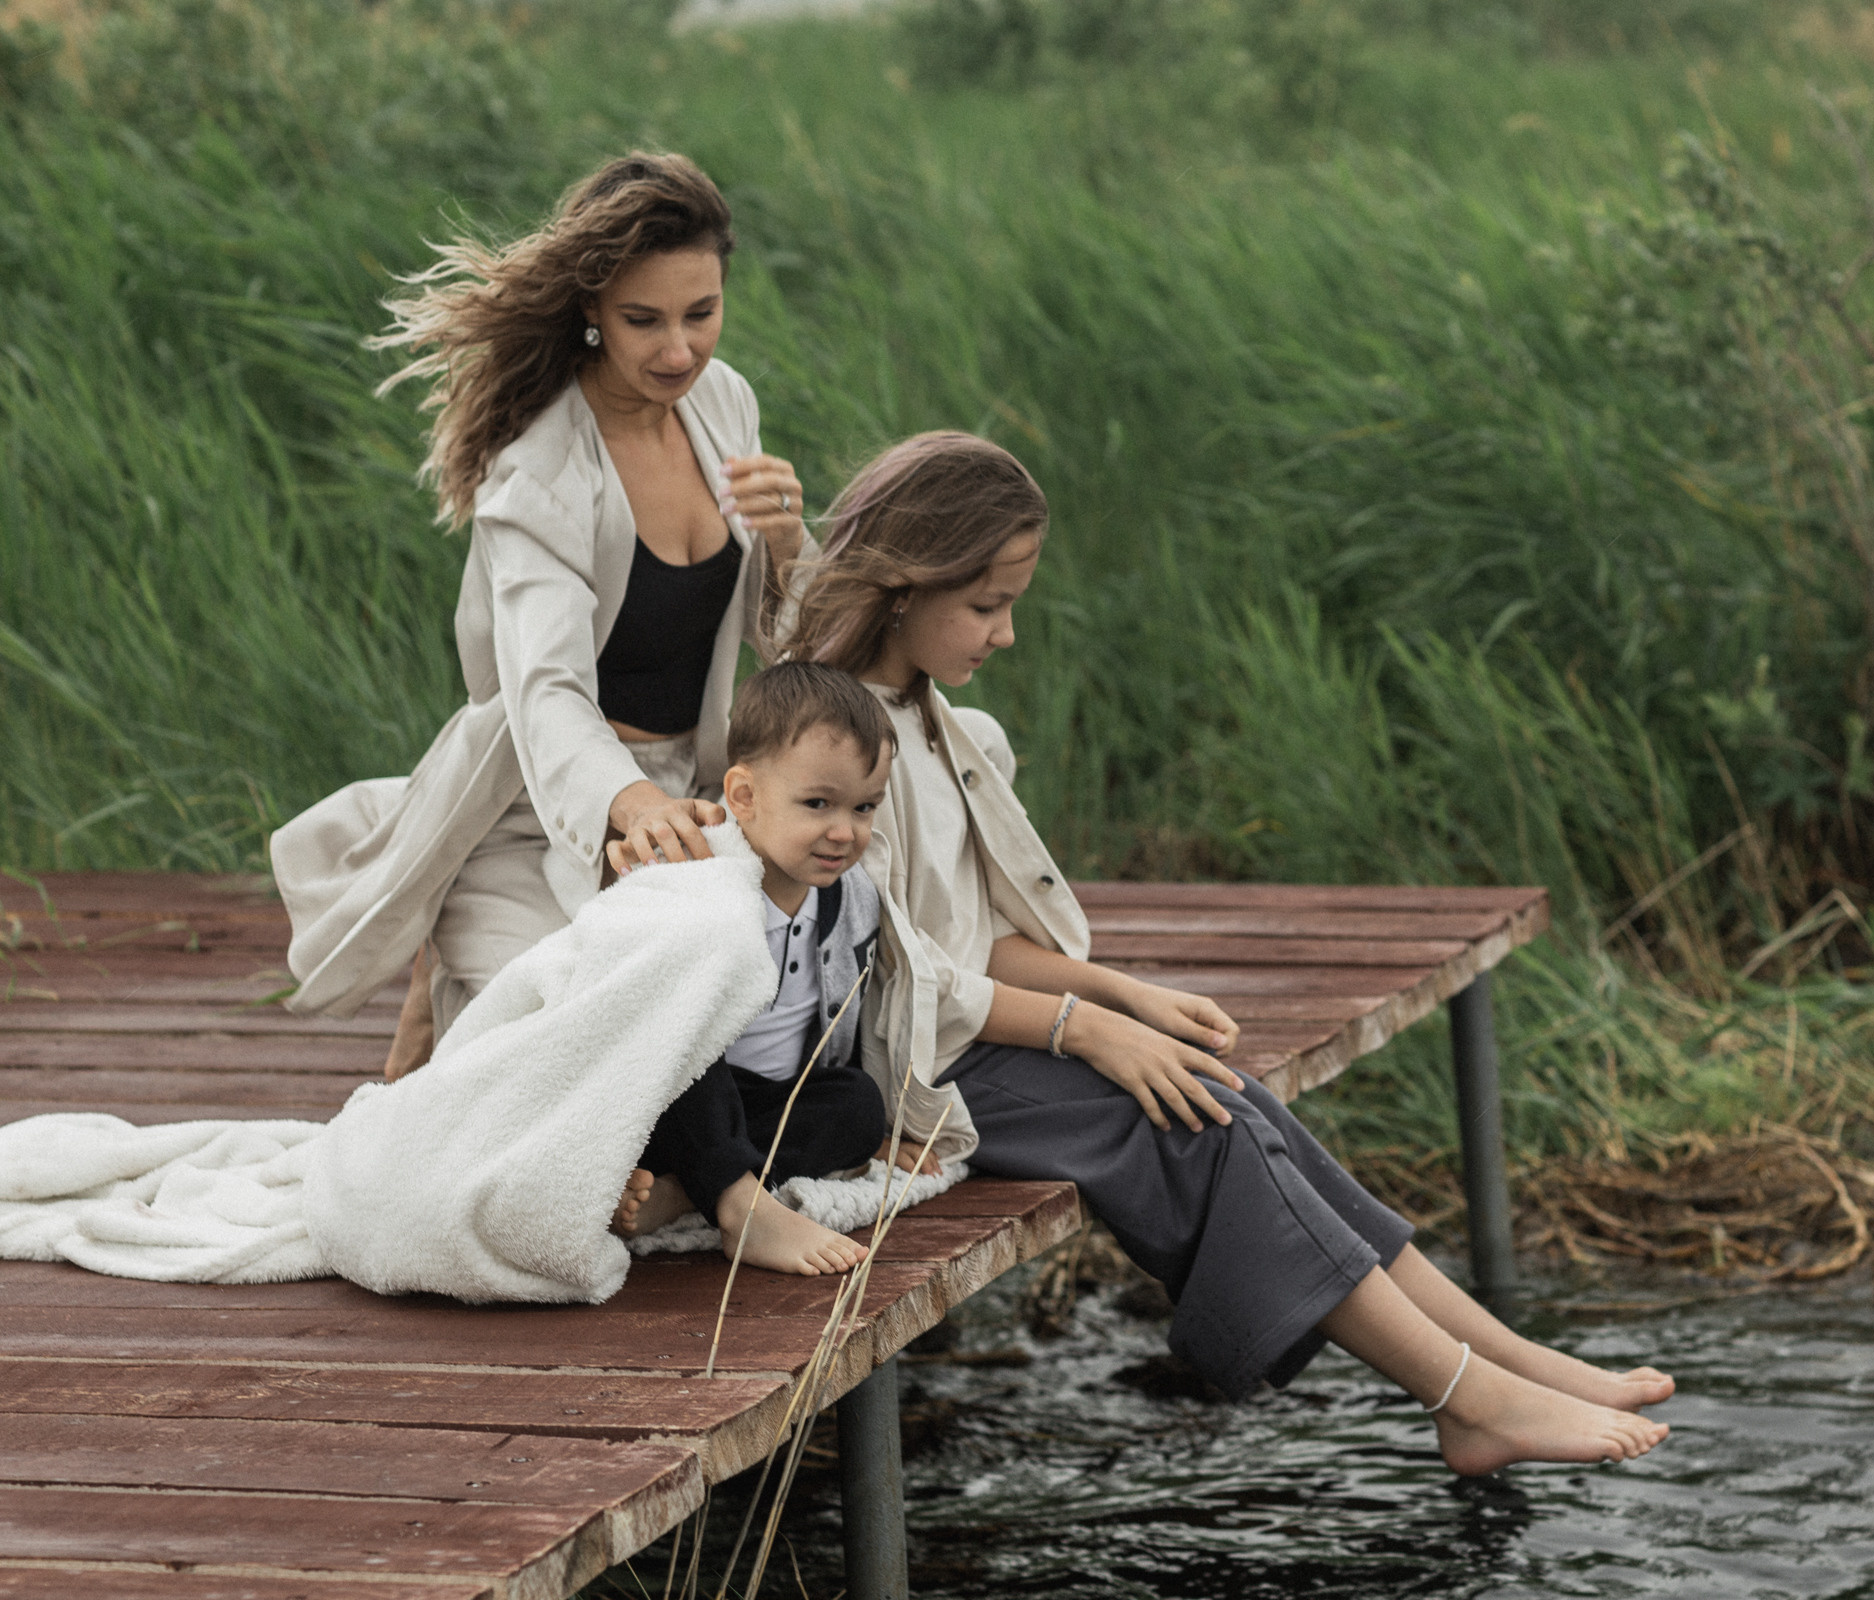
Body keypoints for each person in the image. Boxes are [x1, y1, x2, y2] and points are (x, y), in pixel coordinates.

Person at [786, 432, 1677, 1476]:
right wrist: (1089, 1031)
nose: (1008, 633)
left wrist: (1122, 996)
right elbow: (896, 980)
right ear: (905, 585)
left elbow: (978, 943)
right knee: (1189, 1126)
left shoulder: (942, 723)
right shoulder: (838, 745)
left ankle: (1508, 1362)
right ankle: (1466, 1400)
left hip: (972, 1039)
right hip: (903, 1076)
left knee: (1226, 1093)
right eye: (988, 605)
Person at [269, 152, 811, 1080]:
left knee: (741, 1039)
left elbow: (781, 641)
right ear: (592, 307)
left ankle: (440, 996)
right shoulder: (539, 471)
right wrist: (633, 806)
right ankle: (452, 937)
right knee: (552, 1061)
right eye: (643, 320)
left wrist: (791, 541)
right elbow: (546, 691)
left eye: (701, 313)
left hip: (699, 792)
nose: (679, 351)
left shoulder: (724, 404)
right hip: (537, 813)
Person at [609, 661, 897, 1276]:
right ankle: (740, 1205)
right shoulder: (691, 882)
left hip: (764, 1107)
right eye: (817, 804)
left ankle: (682, 1192)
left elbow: (852, 1021)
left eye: (864, 807)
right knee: (691, 1044)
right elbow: (638, 1023)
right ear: (744, 797)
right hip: (675, 1094)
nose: (844, 831)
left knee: (857, 1107)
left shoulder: (854, 898)